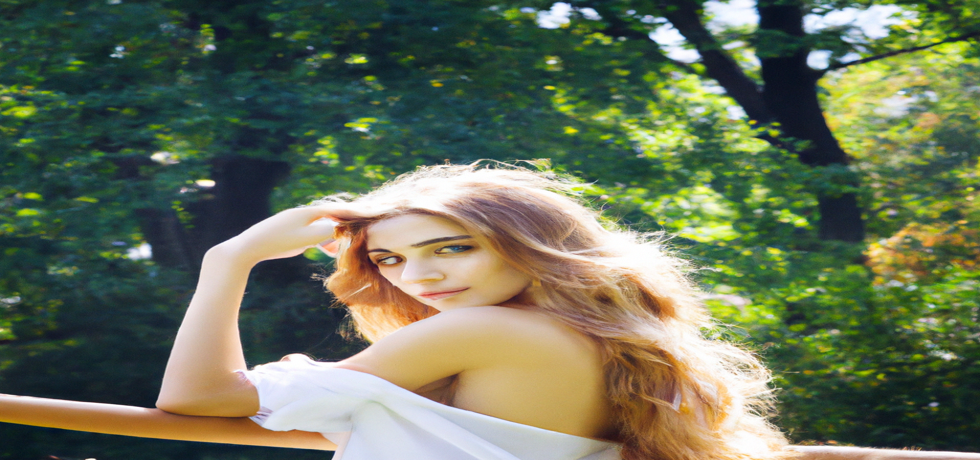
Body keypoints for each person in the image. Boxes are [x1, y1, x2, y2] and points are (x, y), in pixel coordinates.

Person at [0, 164, 977, 460]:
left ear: (527, 239)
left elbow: (201, 399)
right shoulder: (592, 342)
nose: (419, 276)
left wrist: (229, 260)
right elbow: (247, 426)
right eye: (392, 259)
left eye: (451, 246)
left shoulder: (483, 333)